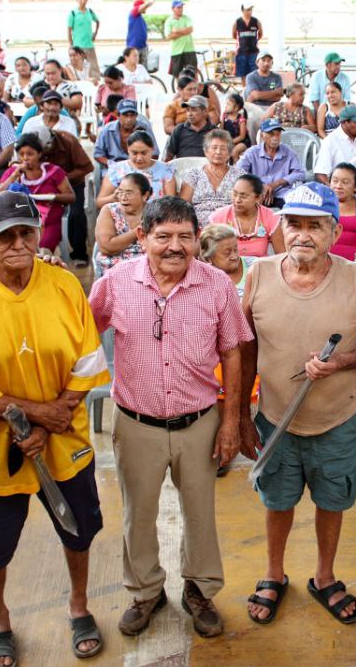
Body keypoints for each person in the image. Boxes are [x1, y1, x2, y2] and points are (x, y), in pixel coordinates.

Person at [0, 191, 112, 667]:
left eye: (26, 233)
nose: (17, 244)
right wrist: (39, 417)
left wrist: (56, 418)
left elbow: (87, 361)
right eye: (4, 236)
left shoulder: (63, 285)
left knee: (77, 531)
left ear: (40, 234)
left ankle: (79, 606)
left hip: (65, 441)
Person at [90, 196, 252, 637]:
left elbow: (233, 353)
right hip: (135, 423)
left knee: (200, 513)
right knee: (137, 514)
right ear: (142, 238)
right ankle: (145, 592)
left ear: (198, 240)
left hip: (198, 423)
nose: (174, 247)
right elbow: (84, 330)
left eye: (185, 237)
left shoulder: (217, 285)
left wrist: (232, 421)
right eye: (163, 237)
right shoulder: (117, 282)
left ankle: (199, 591)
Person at [238, 183, 356, 626]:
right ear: (281, 226)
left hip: (337, 420)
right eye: (294, 224)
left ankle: (324, 577)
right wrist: (241, 418)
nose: (302, 234)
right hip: (275, 420)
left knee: (332, 502)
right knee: (277, 501)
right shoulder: (260, 274)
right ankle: (273, 574)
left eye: (314, 226)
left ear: (332, 230)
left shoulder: (354, 277)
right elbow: (246, 351)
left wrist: (342, 361)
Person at [0, 133, 74, 252]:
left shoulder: (54, 171)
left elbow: (71, 197)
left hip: (49, 221)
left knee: (41, 247)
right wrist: (14, 175)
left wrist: (53, 197)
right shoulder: (13, 172)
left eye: (30, 154)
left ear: (39, 154)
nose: (25, 158)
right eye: (21, 154)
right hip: (18, 221)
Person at [210, 173, 284, 257]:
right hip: (226, 269)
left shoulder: (270, 217)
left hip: (260, 268)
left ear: (258, 198)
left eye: (243, 196)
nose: (237, 200)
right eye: (234, 194)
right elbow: (208, 255)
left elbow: (281, 254)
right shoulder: (219, 217)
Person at [180, 129, 243, 225]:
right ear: (206, 151)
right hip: (198, 226)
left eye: (223, 148)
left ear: (229, 153)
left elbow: (246, 204)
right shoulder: (194, 174)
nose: (218, 152)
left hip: (230, 226)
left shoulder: (239, 175)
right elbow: (184, 206)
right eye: (214, 147)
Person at [93, 171, 151, 272]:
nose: (123, 198)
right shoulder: (109, 210)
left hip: (148, 268)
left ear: (145, 195)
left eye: (129, 193)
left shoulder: (156, 212)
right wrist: (139, 230)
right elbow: (106, 247)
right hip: (114, 269)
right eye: (120, 192)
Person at [98, 130, 175, 205]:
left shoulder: (165, 170)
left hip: (155, 216)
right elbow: (99, 202)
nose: (139, 158)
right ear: (128, 150)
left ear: (152, 149)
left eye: (144, 153)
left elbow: (171, 203)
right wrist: (114, 197)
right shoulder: (117, 169)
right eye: (134, 153)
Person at [315, 106, 356, 186]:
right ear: (344, 122)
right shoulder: (330, 141)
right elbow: (321, 174)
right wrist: (334, 190)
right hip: (342, 188)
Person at [198, 222, 255, 296]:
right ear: (209, 258)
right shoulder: (203, 278)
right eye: (227, 253)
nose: (234, 257)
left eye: (235, 249)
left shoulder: (255, 266)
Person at [93, 98, 153, 168]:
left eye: (132, 115)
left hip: (139, 167)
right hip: (114, 167)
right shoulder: (107, 129)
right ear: (118, 115)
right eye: (125, 115)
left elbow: (155, 153)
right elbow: (98, 154)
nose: (129, 119)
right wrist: (112, 165)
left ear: (136, 116)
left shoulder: (145, 127)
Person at [164, 95, 217, 161]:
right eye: (188, 110)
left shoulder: (215, 132)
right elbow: (169, 155)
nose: (189, 114)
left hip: (206, 170)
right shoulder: (179, 130)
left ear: (204, 112)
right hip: (183, 169)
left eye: (194, 110)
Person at [66, 0, 101, 80]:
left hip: (89, 45)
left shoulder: (89, 11)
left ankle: (96, 84)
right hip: (78, 46)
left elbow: (97, 21)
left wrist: (95, 34)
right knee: (79, 68)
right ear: (77, 0)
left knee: (94, 67)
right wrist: (71, 44)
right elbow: (69, 30)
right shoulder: (73, 13)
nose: (83, 1)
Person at [164, 0, 197, 76]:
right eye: (178, 7)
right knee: (177, 74)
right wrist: (184, 32)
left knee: (193, 73)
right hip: (176, 51)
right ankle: (179, 88)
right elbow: (169, 36)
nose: (181, 9)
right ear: (173, 9)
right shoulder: (169, 21)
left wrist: (176, 31)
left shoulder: (187, 18)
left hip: (189, 49)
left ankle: (194, 87)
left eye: (181, 7)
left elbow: (190, 29)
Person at [232, 4, 262, 80]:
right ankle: (245, 89)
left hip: (254, 52)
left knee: (254, 73)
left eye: (251, 10)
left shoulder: (256, 21)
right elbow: (234, 35)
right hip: (241, 52)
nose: (249, 12)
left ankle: (254, 89)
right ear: (243, 10)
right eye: (247, 10)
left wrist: (254, 41)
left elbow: (260, 34)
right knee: (243, 74)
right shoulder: (237, 22)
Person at [127, 0, 156, 66]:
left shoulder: (140, 17)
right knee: (134, 68)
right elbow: (142, 7)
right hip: (134, 47)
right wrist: (150, 2)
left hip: (143, 46)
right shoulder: (133, 13)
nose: (145, 8)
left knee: (142, 70)